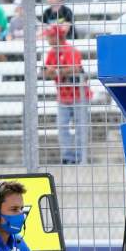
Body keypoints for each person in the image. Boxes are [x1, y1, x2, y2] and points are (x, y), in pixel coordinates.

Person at [42, 25, 91, 164]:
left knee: (80, 126)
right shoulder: (52, 53)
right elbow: (46, 71)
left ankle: (81, 157)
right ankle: (68, 157)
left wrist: (57, 71)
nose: (48, 39)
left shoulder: (71, 50)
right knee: (62, 126)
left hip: (78, 95)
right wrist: (55, 71)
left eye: (51, 36)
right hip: (62, 95)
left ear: (59, 37)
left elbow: (75, 68)